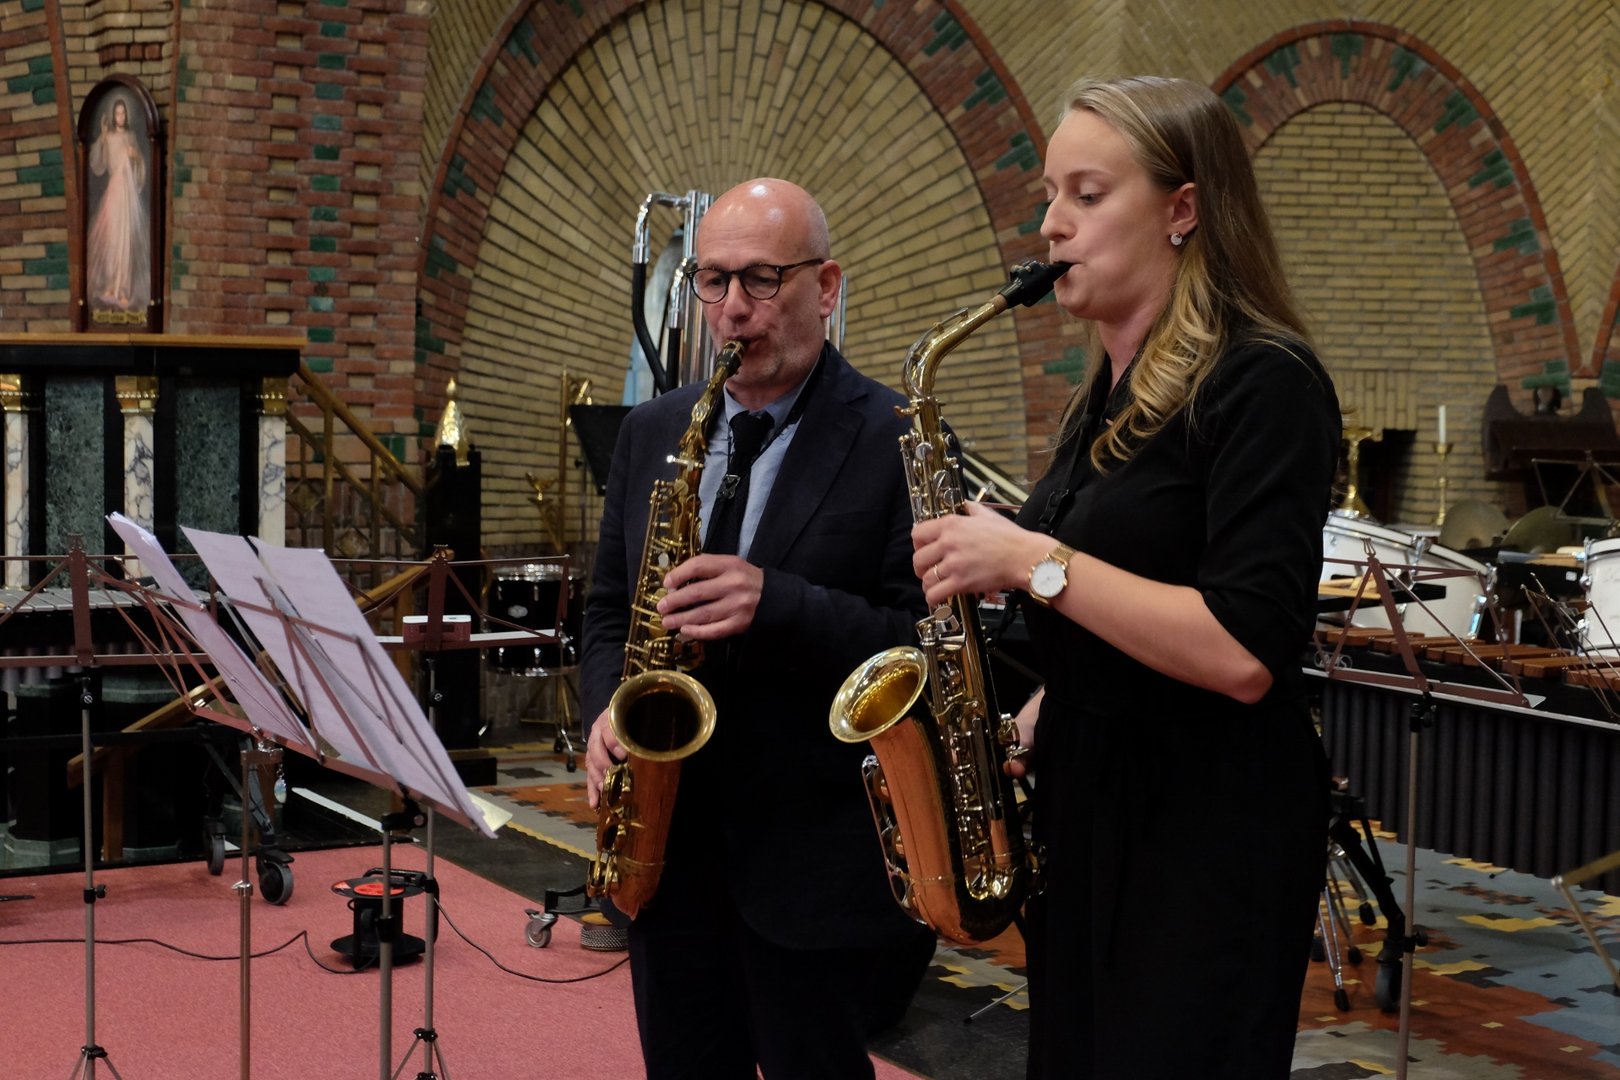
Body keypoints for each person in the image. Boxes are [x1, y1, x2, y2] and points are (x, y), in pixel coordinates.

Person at [911, 76, 1341, 1079]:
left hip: (1205, 830)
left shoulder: (1265, 381)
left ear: (1183, 208)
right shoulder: (1105, 393)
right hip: (1094, 800)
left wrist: (1029, 559)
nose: (1051, 225)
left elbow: (1244, 651)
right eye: (1049, 195)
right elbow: (1132, 594)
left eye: (1088, 194)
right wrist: (1042, 711)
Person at [580, 177, 937, 1079]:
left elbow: (925, 646)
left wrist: (776, 601)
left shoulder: (900, 437)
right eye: (713, 280)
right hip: (666, 846)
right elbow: (608, 607)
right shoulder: (652, 431)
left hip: (811, 861)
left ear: (827, 286)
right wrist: (606, 714)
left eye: (762, 280)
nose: (733, 309)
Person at [86, 96, 150, 314]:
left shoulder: (131, 137)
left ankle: (123, 288)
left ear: (126, 116)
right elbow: (99, 163)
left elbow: (140, 164)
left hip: (127, 193)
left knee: (126, 240)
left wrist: (135, 156)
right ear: (113, 116)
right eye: (117, 113)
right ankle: (111, 285)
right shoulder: (109, 136)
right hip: (114, 191)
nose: (120, 117)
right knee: (113, 239)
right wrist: (103, 136)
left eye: (123, 113)